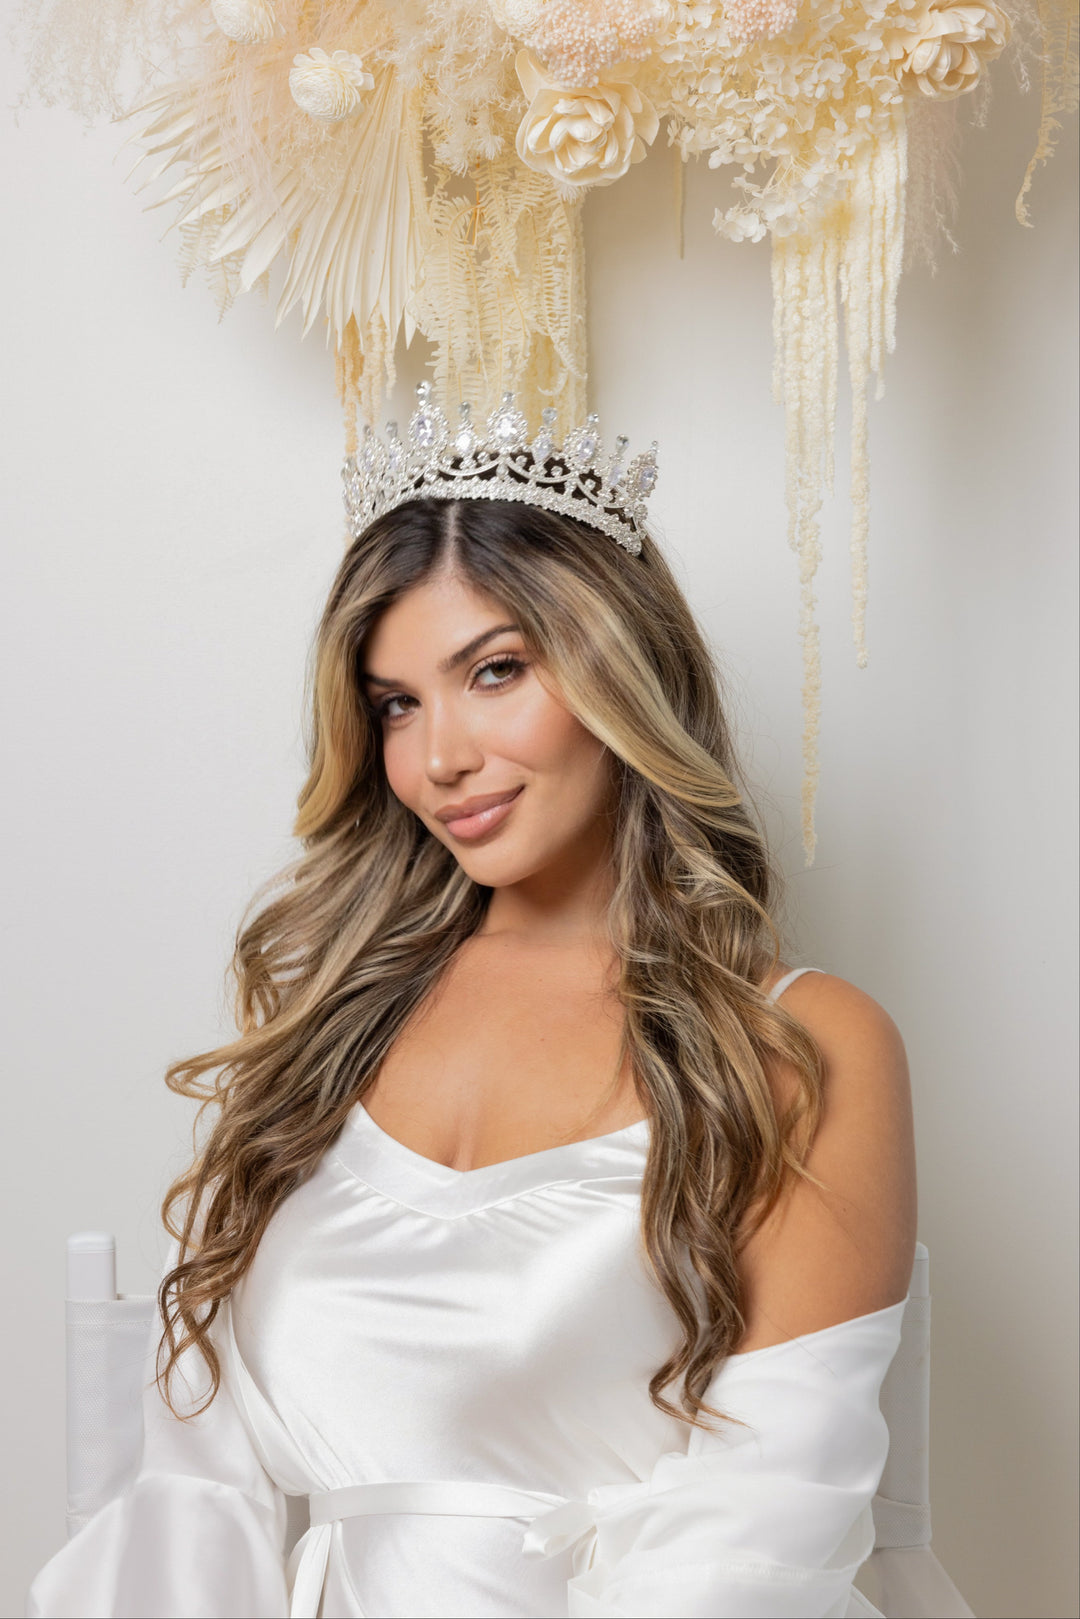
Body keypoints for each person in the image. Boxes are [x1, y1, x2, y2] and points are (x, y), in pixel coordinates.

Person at [27, 398, 917, 1619]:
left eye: (494, 671)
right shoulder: (318, 1029)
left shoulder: (797, 1042)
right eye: (396, 702)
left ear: (624, 670)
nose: (438, 755)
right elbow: (194, 1497)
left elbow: (762, 1523)